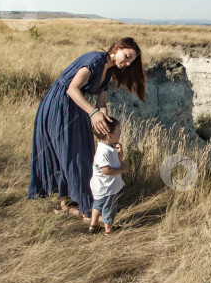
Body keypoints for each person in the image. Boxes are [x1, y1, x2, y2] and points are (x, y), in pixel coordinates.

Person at [27, 37, 146, 220]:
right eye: (127, 56)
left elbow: (101, 102)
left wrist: (103, 117)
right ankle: (88, 209)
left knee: (82, 151)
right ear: (118, 47)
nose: (127, 62)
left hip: (75, 107)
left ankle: (68, 201)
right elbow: (72, 89)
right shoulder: (96, 60)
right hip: (60, 104)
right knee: (73, 153)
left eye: (131, 61)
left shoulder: (108, 71)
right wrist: (92, 113)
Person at [88, 116, 129, 234]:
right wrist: (122, 170)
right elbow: (107, 170)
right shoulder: (103, 152)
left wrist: (120, 153)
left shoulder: (108, 147)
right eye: (119, 131)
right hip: (107, 188)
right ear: (109, 136)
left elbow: (116, 163)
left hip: (100, 187)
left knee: (97, 205)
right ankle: (108, 230)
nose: (120, 133)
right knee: (109, 208)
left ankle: (93, 225)